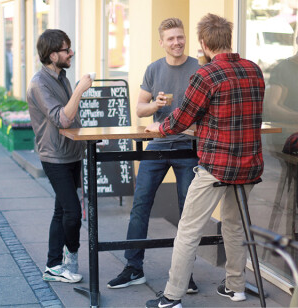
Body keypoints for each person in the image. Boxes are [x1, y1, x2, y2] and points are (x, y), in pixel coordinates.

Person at [144, 13, 265, 308]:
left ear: (203, 43)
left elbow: (180, 119)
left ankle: (172, 296)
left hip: (217, 166)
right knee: (234, 227)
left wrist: (157, 128)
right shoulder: (254, 69)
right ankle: (236, 287)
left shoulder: (205, 74)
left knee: (188, 229)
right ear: (228, 39)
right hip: (249, 164)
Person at [107, 18, 200, 293]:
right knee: (140, 206)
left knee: (188, 212)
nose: (177, 42)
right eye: (170, 38)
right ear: (162, 42)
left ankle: (185, 275)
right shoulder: (153, 69)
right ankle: (133, 267)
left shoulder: (198, 68)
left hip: (188, 147)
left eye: (180, 37)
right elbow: (139, 109)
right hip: (158, 144)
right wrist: (155, 105)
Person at [26, 29, 93, 283]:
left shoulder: (61, 77)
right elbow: (62, 118)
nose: (71, 53)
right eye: (67, 49)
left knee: (61, 211)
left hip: (72, 153)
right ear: (53, 55)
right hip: (54, 157)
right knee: (73, 213)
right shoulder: (39, 84)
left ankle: (54, 265)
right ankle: (69, 257)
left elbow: (71, 117)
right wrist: (79, 91)